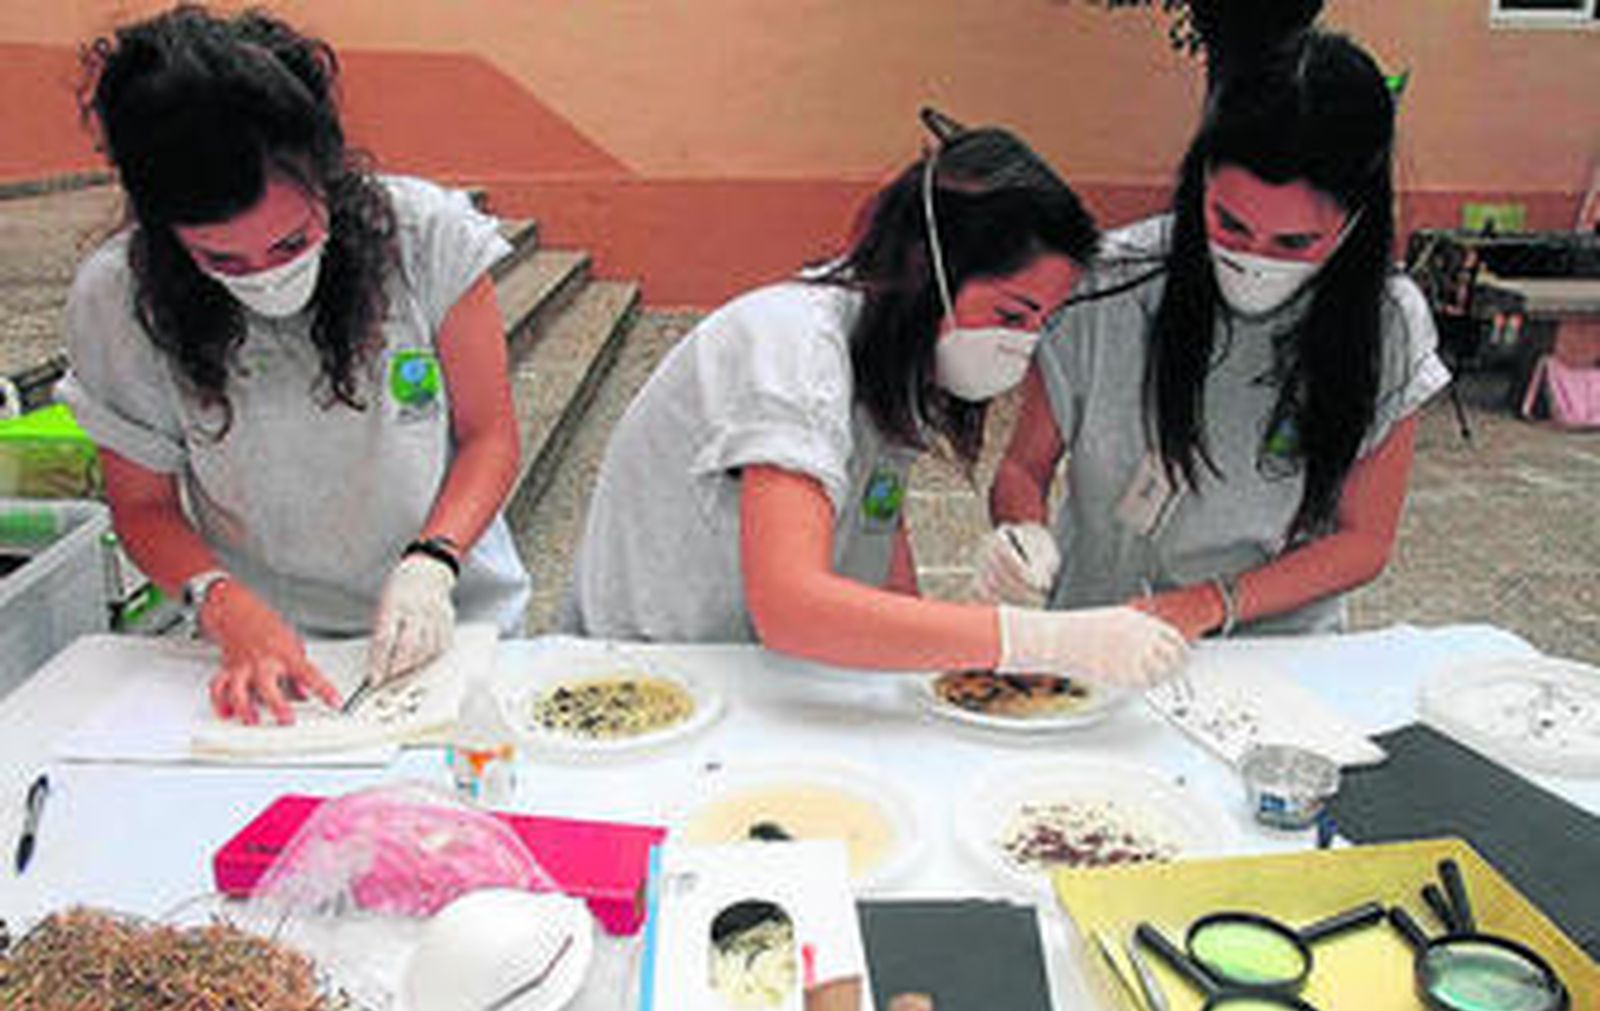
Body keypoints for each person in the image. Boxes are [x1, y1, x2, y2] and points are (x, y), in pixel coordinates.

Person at [562, 111, 1186, 688]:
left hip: (745, 676)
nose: (1023, 345)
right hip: (648, 678)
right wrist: (1038, 640)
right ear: (928, 271)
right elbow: (792, 606)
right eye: (1011, 315)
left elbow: (877, 526)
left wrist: (933, 673)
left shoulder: (893, 364)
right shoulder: (793, 350)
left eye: (1040, 323)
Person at [62, 6, 530, 724]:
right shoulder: (119, 297)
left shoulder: (427, 238)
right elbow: (142, 505)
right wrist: (220, 600)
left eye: (290, 242)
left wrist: (433, 561)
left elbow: (488, 435)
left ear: (326, 176)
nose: (263, 274)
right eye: (221, 258)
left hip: (454, 610)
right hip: (261, 642)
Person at [981, 7, 1450, 639]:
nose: (1252, 257)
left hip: (1275, 649)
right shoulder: (1110, 284)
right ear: (1198, 181)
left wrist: (1209, 604)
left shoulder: (1388, 321)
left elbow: (1363, 540)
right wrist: (1023, 537)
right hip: (1100, 631)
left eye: (1294, 242)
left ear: (1355, 223)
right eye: (1229, 223)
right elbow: (1023, 468)